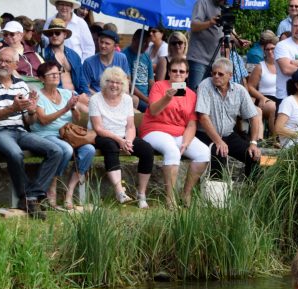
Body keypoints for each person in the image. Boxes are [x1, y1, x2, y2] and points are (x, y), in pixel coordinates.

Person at [0, 47, 70, 219]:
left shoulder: (21, 85)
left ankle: (32, 195)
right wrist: (12, 108)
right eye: (0, 60)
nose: (2, 64)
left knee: (55, 151)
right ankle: (26, 198)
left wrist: (32, 111)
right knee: (15, 153)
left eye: (7, 61)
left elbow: (29, 121)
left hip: (19, 130)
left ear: (16, 64)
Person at [141, 58, 210, 208]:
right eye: (174, 70)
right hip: (155, 129)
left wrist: (186, 141)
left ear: (187, 74)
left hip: (179, 134)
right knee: (173, 151)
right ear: (169, 72)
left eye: (181, 71)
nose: (178, 74)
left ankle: (186, 194)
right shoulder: (159, 86)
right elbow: (153, 110)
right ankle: (170, 199)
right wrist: (167, 97)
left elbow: (192, 122)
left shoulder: (191, 94)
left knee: (204, 152)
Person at [89, 67, 156, 208]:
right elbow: (98, 128)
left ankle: (141, 194)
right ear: (104, 82)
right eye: (110, 81)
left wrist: (129, 142)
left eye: (118, 82)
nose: (114, 85)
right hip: (103, 135)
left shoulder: (127, 99)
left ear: (123, 84)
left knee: (147, 150)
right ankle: (119, 191)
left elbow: (131, 126)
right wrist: (120, 141)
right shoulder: (95, 99)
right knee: (111, 146)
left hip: (124, 136)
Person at [33, 60, 93, 209]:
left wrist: (73, 108)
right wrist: (66, 108)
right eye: (51, 74)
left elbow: (77, 118)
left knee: (89, 150)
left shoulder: (66, 93)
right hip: (46, 134)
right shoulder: (37, 96)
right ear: (41, 78)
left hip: (67, 135)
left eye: (58, 73)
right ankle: (51, 187)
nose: (56, 76)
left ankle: (69, 192)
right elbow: (43, 120)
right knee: (66, 149)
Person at [196, 57, 263, 180]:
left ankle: (254, 191)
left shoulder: (239, 90)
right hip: (205, 135)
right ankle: (216, 195)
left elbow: (254, 117)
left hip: (228, 135)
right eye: (214, 73)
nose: (216, 76)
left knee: (252, 155)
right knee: (219, 152)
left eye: (220, 74)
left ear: (230, 76)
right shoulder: (205, 85)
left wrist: (253, 143)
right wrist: (218, 141)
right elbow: (203, 117)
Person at [41, 18, 87, 96]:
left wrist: (86, 93)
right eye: (50, 34)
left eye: (57, 33)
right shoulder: (43, 55)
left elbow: (81, 79)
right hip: (58, 96)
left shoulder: (74, 55)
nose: (54, 36)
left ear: (65, 35)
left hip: (76, 94)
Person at [187, 0, 224, 90]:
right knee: (195, 93)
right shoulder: (203, 3)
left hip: (215, 62)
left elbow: (225, 33)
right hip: (198, 58)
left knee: (211, 94)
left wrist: (238, 41)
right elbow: (194, 26)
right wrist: (209, 23)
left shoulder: (224, 9)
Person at [82, 26, 128, 95]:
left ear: (115, 46)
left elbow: (126, 80)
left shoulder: (122, 58)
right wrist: (101, 98)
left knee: (134, 100)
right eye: (101, 42)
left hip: (117, 95)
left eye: (107, 43)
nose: (103, 45)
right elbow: (85, 88)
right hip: (96, 96)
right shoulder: (88, 62)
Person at [247, 31, 278, 127]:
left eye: (272, 48)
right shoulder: (260, 67)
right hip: (265, 97)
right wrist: (261, 97)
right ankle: (275, 138)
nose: (270, 51)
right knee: (274, 107)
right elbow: (250, 86)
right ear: (264, 51)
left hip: (281, 96)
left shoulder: (282, 65)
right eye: (267, 49)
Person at [125, 29, 154, 111]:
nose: (147, 46)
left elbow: (151, 80)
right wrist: (147, 100)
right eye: (144, 42)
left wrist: (153, 96)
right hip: (134, 96)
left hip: (147, 97)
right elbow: (129, 84)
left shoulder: (146, 56)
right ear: (134, 40)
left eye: (148, 43)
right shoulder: (125, 55)